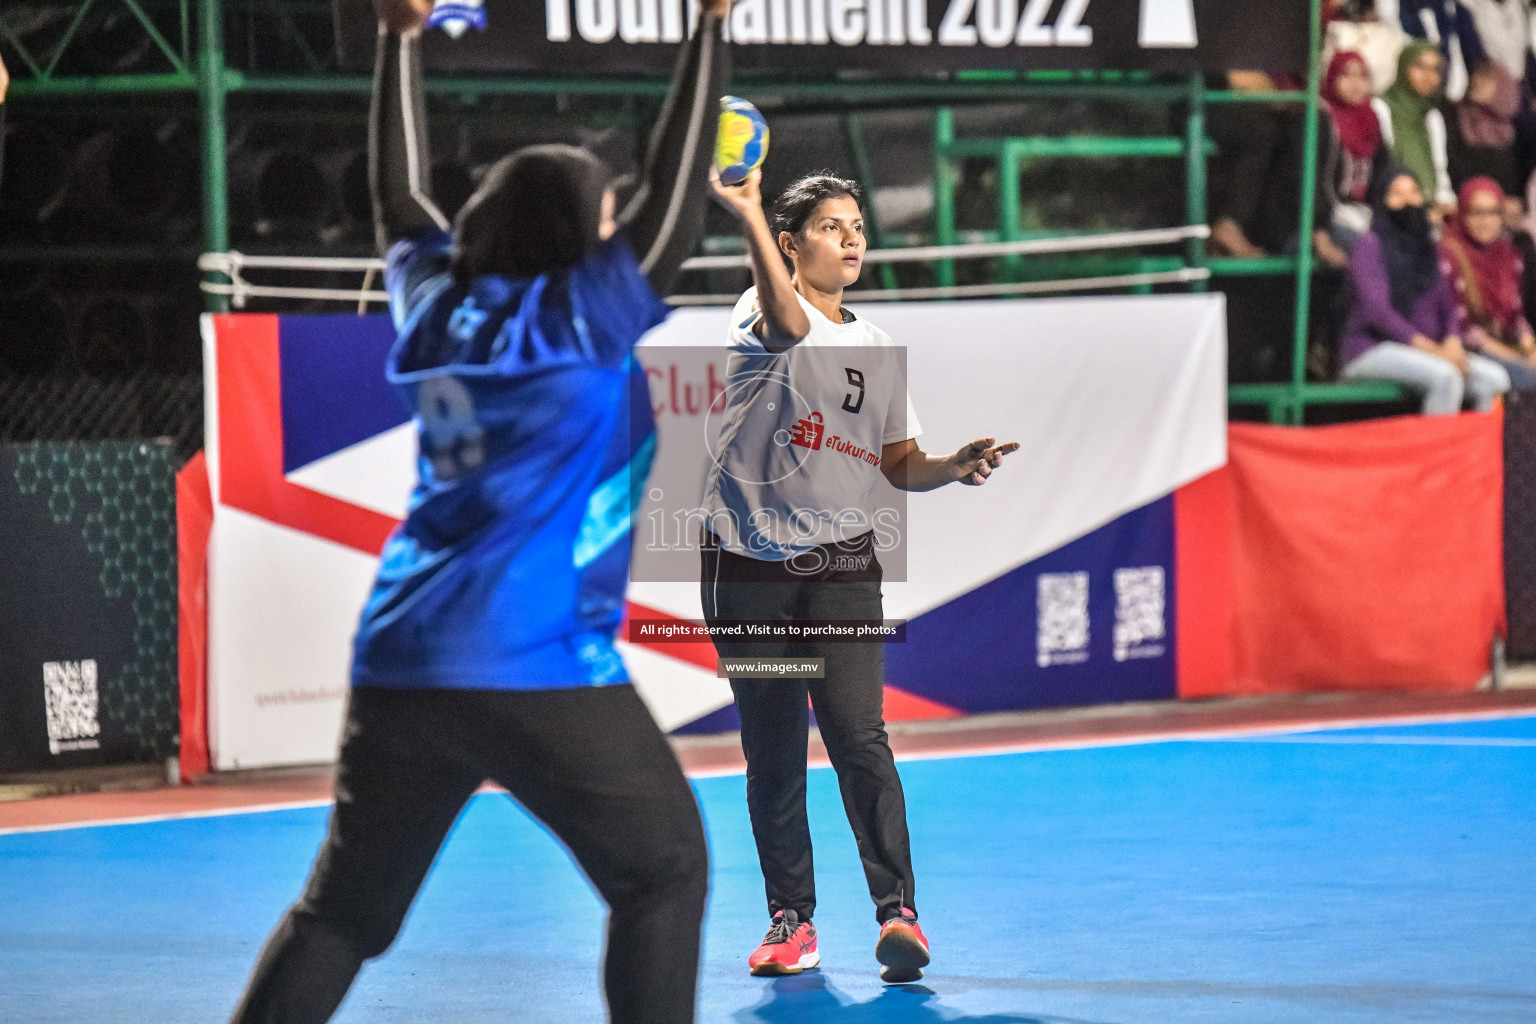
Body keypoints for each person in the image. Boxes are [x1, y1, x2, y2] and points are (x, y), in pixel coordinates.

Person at [224, 1, 731, 1022]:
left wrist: (399, 37)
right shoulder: (579, 318)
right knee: (664, 870)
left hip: (402, 657)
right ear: (577, 238)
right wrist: (711, 24)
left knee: (344, 916)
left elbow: (395, 197)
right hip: (530, 657)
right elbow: (679, 205)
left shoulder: (434, 306)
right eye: (602, 215)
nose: (616, 227)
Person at [700, 169, 1019, 983]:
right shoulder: (759, 310)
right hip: (748, 567)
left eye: (857, 226)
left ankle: (898, 915)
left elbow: (898, 463)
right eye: (830, 226)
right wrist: (744, 211)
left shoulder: (876, 349)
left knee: (857, 737)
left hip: (842, 565)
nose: (850, 239)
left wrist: (951, 465)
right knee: (772, 750)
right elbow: (786, 320)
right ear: (788, 246)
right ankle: (791, 922)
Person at [1341, 165, 1512, 413]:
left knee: (1495, 379)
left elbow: (1447, 303)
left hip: (1428, 349)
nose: (1408, 201)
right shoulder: (1370, 246)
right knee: (1446, 377)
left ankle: (1473, 452)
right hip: (1371, 348)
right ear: (1382, 201)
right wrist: (1434, 351)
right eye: (1397, 194)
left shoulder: (1427, 248)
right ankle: (1441, 451)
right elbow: (1378, 313)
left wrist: (1452, 342)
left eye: (1413, 192)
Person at [1440, 176, 1536, 387]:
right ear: (1462, 214)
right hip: (1462, 347)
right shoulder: (1448, 256)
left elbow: (1516, 315)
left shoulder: (1509, 256)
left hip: (1504, 345)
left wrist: (1529, 345)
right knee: (1527, 378)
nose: (1485, 221)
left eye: (1493, 212)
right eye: (1476, 213)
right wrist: (1515, 357)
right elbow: (1461, 327)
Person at [1319, 50, 1393, 266]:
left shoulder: (1371, 119)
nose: (1355, 83)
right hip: (1326, 219)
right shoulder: (1321, 118)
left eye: (1362, 76)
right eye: (1347, 75)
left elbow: (1383, 174)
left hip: (1363, 215)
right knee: (1372, 253)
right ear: (1332, 78)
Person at [1376, 41, 1458, 218]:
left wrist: (1443, 200)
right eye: (1420, 67)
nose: (1428, 77)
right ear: (1404, 68)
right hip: (1393, 203)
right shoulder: (1381, 108)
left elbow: (1439, 168)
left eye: (1435, 70)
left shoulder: (1432, 117)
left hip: (1430, 204)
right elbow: (1385, 164)